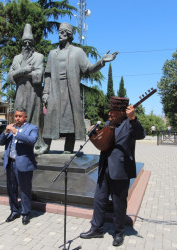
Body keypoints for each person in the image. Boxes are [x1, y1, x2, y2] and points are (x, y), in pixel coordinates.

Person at [42, 22, 118, 154]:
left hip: (69, 89)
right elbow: (47, 74)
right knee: (50, 117)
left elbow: (88, 68)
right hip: (55, 89)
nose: (61, 34)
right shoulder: (52, 53)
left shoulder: (78, 52)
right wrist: (45, 92)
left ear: (69, 35)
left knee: (70, 117)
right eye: (59, 32)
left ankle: (68, 148)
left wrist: (101, 62)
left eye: (64, 32)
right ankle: (45, 146)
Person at [80, 96, 145, 247]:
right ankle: (96, 229)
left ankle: (119, 233)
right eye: (110, 111)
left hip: (121, 169)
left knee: (118, 203)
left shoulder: (130, 123)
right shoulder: (109, 124)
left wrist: (134, 118)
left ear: (121, 112)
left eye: (113, 111)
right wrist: (93, 133)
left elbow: (141, 134)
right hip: (105, 167)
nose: (109, 114)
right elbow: (102, 142)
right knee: (99, 199)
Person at [7, 23, 46, 155]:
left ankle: (36, 144)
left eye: (30, 42)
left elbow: (38, 76)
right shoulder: (16, 58)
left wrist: (19, 73)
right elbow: (9, 77)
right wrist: (24, 70)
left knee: (34, 118)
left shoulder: (39, 57)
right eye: (25, 43)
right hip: (20, 93)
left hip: (34, 93)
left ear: (33, 43)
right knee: (18, 118)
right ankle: (17, 144)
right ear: (22, 44)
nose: (27, 45)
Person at [0, 108, 38, 225]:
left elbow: (31, 141)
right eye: (16, 116)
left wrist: (16, 132)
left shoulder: (32, 128)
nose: (17, 118)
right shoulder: (10, 128)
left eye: (20, 116)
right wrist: (6, 132)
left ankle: (25, 213)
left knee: (25, 190)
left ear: (25, 117)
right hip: (10, 163)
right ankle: (14, 211)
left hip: (23, 164)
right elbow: (0, 142)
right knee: (11, 189)